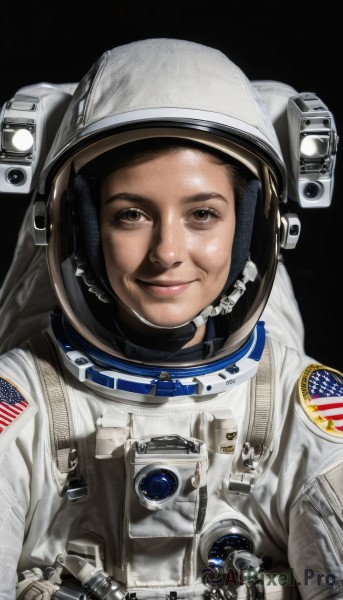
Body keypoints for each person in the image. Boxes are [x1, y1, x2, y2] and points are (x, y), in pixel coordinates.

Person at [0, 38, 342, 600]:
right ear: (78, 229)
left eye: (202, 214)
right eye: (131, 215)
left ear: (255, 229)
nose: (167, 251)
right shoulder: (23, 407)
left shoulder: (296, 410)